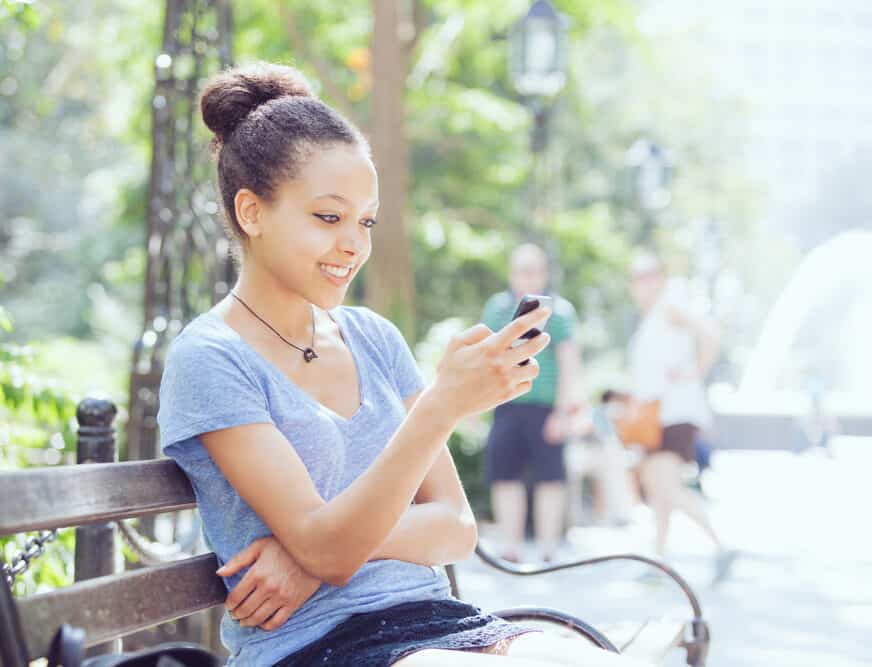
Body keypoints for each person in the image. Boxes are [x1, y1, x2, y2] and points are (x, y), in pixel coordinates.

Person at [157, 62, 651, 666]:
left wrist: (312, 554)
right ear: (252, 212)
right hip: (316, 647)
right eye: (329, 217)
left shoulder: (371, 336)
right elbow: (331, 547)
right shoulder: (211, 360)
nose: (355, 244)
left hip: (443, 623)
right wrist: (440, 407)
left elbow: (455, 527)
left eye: (366, 221)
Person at [626, 254, 733, 580]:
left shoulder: (670, 307)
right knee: (660, 491)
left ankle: (721, 546)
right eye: (637, 277)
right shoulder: (651, 319)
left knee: (668, 489)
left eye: (649, 275)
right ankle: (659, 562)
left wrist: (694, 372)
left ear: (659, 278)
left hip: (674, 412)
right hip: (657, 415)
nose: (643, 283)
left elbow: (711, 333)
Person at [480, 244, 582, 563]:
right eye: (523, 269)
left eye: (535, 269)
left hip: (546, 407)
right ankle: (510, 546)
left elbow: (569, 363)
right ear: (512, 273)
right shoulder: (497, 308)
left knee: (550, 478)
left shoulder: (561, 312)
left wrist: (563, 412)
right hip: (506, 404)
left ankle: (547, 548)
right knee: (504, 475)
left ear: (544, 273)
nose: (529, 276)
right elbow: (486, 353)